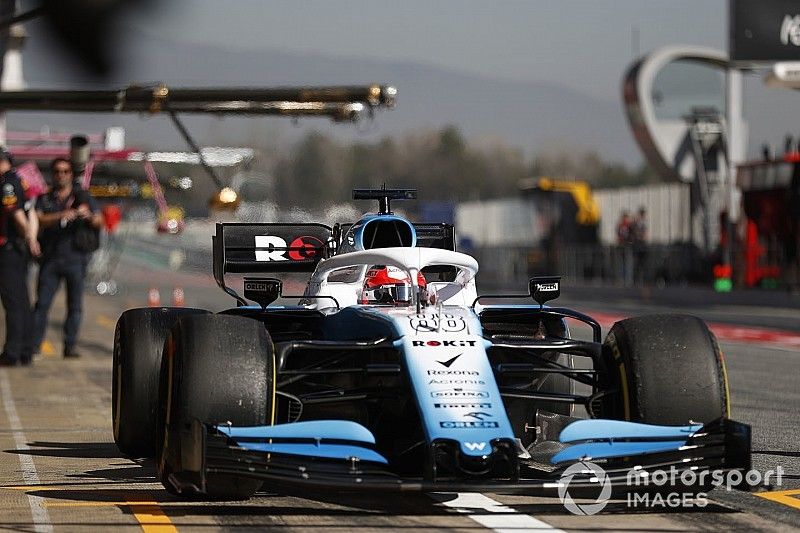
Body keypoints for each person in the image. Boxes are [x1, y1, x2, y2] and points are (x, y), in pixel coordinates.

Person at [31, 158, 103, 359]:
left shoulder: (83, 197)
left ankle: (69, 345)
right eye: (57, 171)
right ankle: (35, 344)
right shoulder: (45, 199)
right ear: (53, 174)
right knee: (42, 304)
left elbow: (99, 221)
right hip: (51, 258)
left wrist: (86, 215)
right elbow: (38, 219)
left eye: (65, 171)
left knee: (75, 306)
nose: (61, 175)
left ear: (71, 174)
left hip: (76, 259)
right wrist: (63, 215)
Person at [0, 148, 37, 366]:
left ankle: (12, 352)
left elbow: (15, 213)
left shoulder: (7, 183)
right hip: (17, 249)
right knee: (21, 301)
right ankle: (25, 349)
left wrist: (29, 237)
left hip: (9, 250)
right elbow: (29, 210)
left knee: (13, 302)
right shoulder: (20, 181)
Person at [631, 207, 648, 285]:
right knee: (637, 263)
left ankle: (641, 278)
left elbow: (645, 234)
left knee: (642, 263)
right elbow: (636, 233)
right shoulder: (637, 223)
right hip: (638, 244)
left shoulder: (643, 222)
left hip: (642, 244)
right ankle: (636, 279)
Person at [616, 211, 633, 286]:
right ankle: (625, 279)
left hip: (623, 245)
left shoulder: (621, 224)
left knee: (625, 263)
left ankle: (625, 279)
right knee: (625, 263)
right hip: (624, 245)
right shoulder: (626, 225)